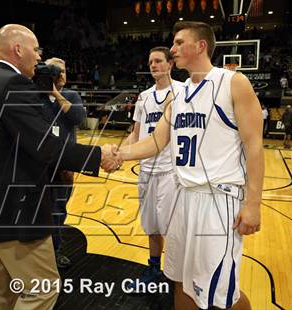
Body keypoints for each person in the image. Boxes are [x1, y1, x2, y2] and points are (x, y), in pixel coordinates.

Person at [0, 24, 120, 310]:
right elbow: (46, 146)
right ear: (18, 49)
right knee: (42, 291)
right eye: (35, 50)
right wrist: (98, 156)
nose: (39, 58)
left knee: (1, 294)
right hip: (15, 212)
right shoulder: (12, 83)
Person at [112, 21, 264, 310]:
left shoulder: (232, 82)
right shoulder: (178, 95)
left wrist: (253, 204)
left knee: (221, 295)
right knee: (180, 281)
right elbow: (156, 141)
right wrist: (119, 155)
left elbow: (254, 145)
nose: (173, 48)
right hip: (183, 198)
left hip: (218, 201)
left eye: (180, 42)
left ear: (201, 46)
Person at [121, 46, 182, 292]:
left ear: (170, 64)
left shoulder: (182, 91)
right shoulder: (144, 96)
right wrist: (118, 154)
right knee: (152, 225)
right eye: (150, 62)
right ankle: (154, 267)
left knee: (172, 226)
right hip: (146, 170)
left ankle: (177, 272)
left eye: (158, 61)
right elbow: (135, 134)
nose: (153, 65)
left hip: (170, 170)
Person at [43, 57, 86, 269]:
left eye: (64, 70)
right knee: (39, 211)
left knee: (58, 210)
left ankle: (55, 250)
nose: (61, 74)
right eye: (56, 70)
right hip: (40, 165)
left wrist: (55, 93)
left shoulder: (70, 95)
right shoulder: (36, 96)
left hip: (65, 166)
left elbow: (78, 117)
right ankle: (39, 252)